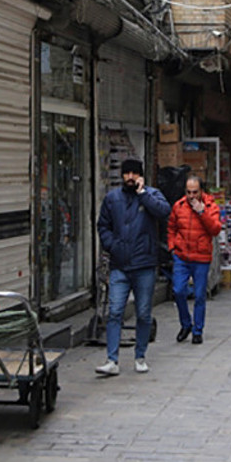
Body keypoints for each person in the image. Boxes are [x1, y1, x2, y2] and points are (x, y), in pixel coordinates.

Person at [96, 159, 171, 375]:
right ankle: (112, 360)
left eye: (134, 173)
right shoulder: (112, 198)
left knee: (144, 313)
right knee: (115, 311)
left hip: (144, 264)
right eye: (126, 173)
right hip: (120, 264)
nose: (130, 177)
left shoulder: (151, 194)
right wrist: (113, 245)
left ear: (140, 176)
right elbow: (103, 226)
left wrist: (143, 195)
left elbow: (164, 211)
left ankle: (140, 356)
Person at [167, 176, 222, 344]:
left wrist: (201, 212)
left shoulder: (211, 206)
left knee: (199, 295)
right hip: (181, 255)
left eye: (195, 192)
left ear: (201, 191)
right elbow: (171, 227)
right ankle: (186, 324)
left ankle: (198, 330)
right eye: (188, 192)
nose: (191, 196)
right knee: (178, 291)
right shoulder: (179, 205)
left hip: (201, 257)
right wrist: (172, 247)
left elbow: (215, 229)